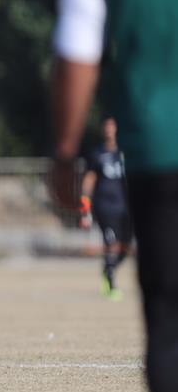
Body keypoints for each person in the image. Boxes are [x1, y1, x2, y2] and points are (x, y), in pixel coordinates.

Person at [51, 0, 178, 392]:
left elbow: (77, 48)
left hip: (160, 147)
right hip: (147, 162)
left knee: (168, 318)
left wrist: (64, 152)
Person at [79, 117, 132, 301]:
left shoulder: (125, 152)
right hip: (105, 206)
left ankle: (108, 269)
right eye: (106, 126)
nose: (109, 130)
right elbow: (89, 180)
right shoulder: (97, 154)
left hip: (126, 207)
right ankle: (111, 284)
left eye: (112, 126)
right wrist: (85, 209)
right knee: (111, 244)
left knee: (125, 247)